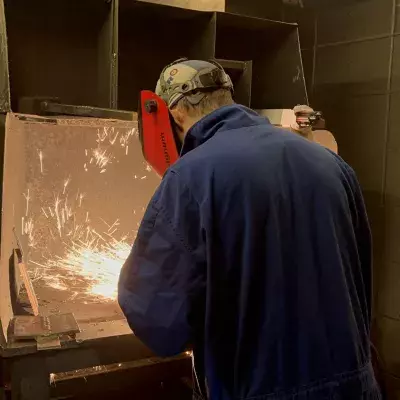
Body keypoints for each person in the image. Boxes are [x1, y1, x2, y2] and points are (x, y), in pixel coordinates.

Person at [118, 59, 380, 399]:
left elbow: (158, 322)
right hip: (355, 388)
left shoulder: (190, 178)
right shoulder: (331, 164)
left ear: (175, 114)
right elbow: (360, 283)